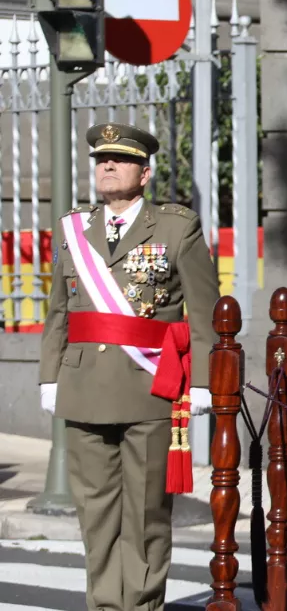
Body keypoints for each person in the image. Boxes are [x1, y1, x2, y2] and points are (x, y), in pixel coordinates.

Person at [37, 122, 221, 610]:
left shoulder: (177, 226)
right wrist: (48, 375)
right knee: (95, 511)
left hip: (150, 388)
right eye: (101, 160)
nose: (108, 167)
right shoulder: (73, 229)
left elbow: (203, 312)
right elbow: (58, 311)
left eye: (119, 160)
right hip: (82, 386)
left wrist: (202, 381)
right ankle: (103, 604)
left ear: (145, 173)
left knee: (145, 513)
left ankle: (140, 605)